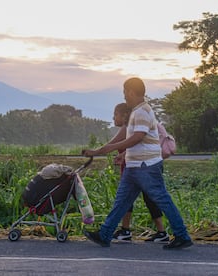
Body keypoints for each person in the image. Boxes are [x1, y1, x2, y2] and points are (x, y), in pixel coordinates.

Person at [82, 77, 193, 250]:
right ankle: (105, 234)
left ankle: (182, 235)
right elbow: (142, 140)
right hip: (135, 166)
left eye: (125, 92)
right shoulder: (140, 110)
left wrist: (107, 149)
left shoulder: (141, 112)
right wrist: (124, 154)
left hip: (145, 167)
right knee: (122, 201)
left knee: (162, 200)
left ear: (131, 92)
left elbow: (137, 138)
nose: (124, 96)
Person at [110, 103, 169, 243]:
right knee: (144, 198)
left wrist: (95, 152)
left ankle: (125, 230)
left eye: (116, 114)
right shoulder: (134, 126)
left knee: (129, 198)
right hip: (140, 166)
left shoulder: (127, 127)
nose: (113, 118)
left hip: (139, 167)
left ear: (124, 115)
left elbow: (112, 144)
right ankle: (160, 232)